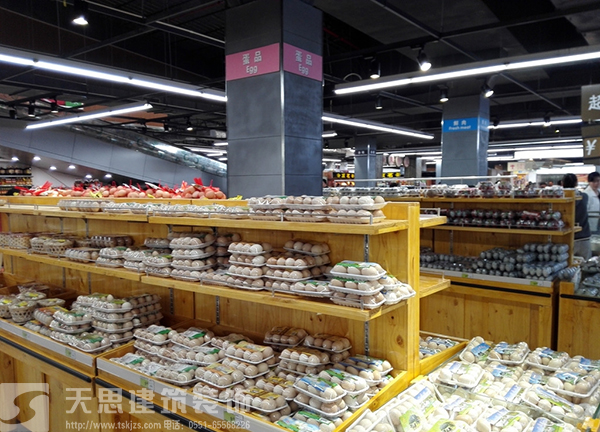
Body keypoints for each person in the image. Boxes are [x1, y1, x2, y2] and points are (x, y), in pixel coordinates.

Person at [563, 174, 591, 259]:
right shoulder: (584, 196)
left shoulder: (560, 199)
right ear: (576, 183)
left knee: (567, 263)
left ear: (562, 183)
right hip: (584, 236)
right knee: (585, 263)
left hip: (566, 237)